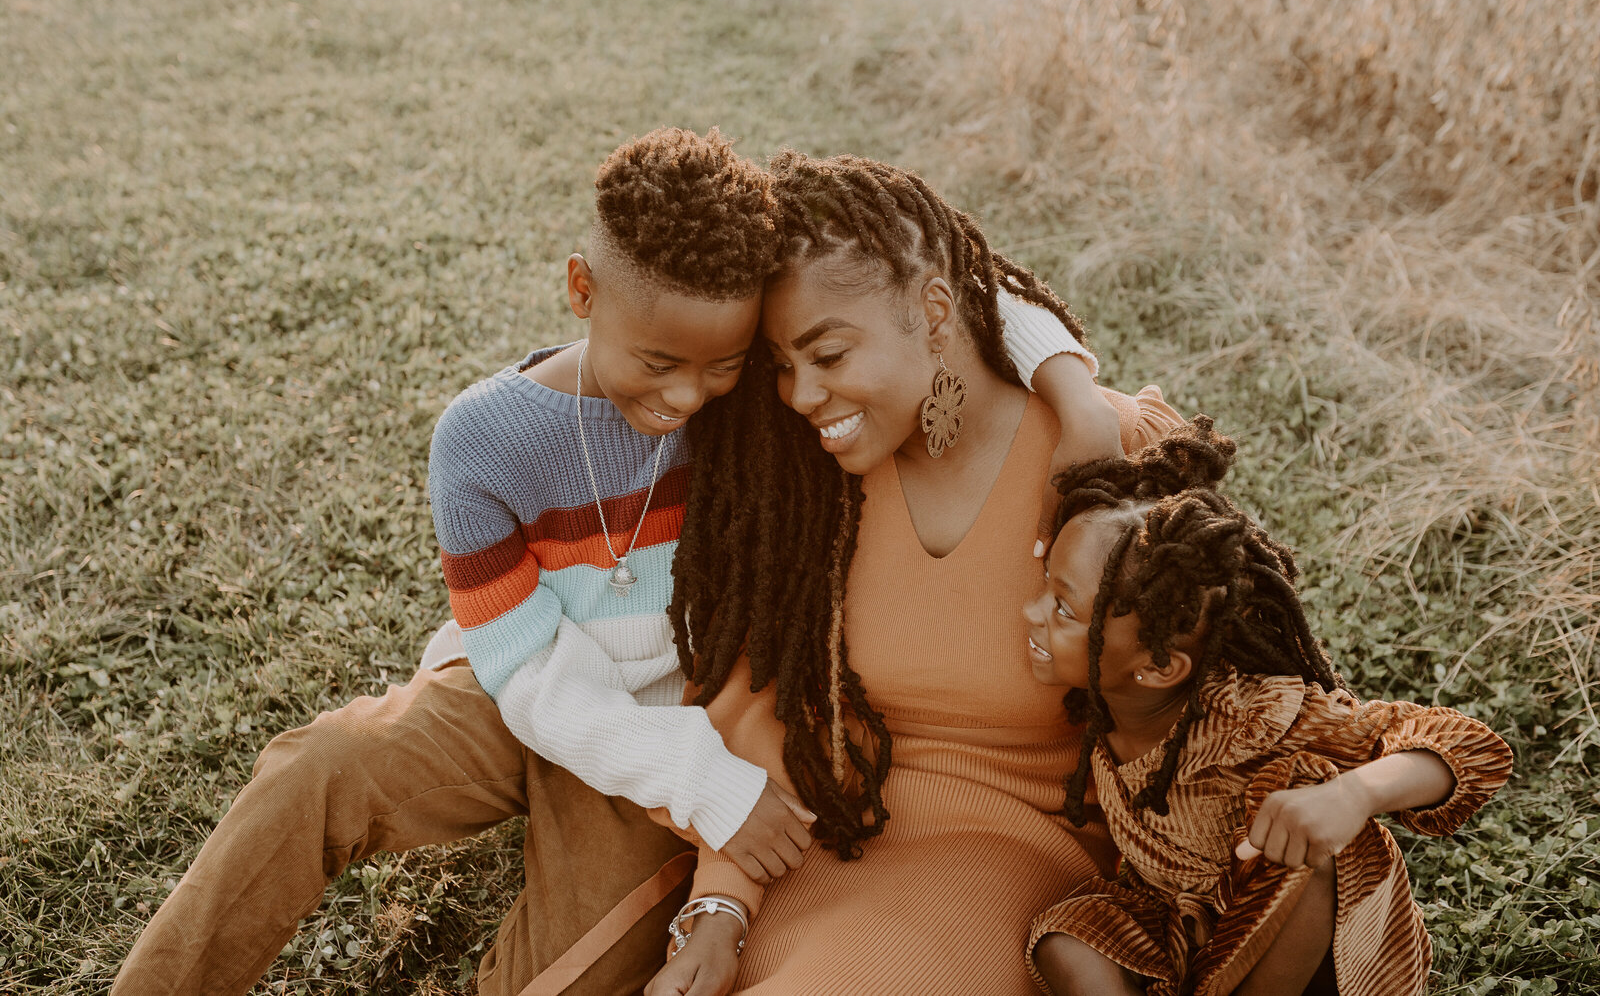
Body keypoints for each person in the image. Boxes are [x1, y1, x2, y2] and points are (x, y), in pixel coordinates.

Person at [113, 129, 1105, 996]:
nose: (687, 395)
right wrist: (712, 789)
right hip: (520, 686)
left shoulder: (761, 401)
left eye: (723, 363)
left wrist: (1074, 387)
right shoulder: (483, 439)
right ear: (582, 290)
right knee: (317, 767)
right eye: (660, 363)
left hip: (673, 731)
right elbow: (522, 661)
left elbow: (948, 283)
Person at [644, 150, 1185, 996]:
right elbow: (768, 710)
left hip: (1008, 863)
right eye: (784, 364)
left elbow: (1227, 695)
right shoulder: (809, 489)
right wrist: (719, 907)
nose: (798, 393)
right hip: (826, 847)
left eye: (827, 354)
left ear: (935, 309)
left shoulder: (1106, 454)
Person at [1021, 419, 1514, 996]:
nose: (1030, 613)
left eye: (1062, 609)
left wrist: (1352, 796)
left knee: (1306, 833)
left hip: (1299, 943)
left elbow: (1469, 745)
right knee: (1066, 940)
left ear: (1159, 668)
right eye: (1045, 587)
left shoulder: (1253, 714)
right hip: (1182, 928)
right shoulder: (1102, 703)